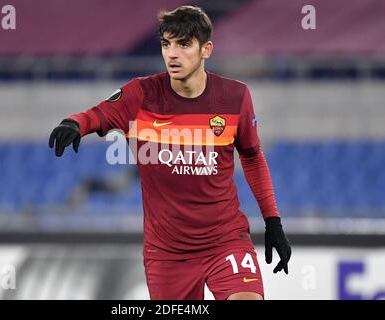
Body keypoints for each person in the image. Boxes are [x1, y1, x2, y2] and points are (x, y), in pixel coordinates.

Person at [49, 5, 291, 300]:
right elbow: (97, 114)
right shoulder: (141, 94)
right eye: (166, 44)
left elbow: (252, 157)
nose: (172, 54)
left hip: (225, 241)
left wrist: (273, 222)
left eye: (184, 44)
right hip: (168, 255)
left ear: (206, 49)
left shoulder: (235, 97)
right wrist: (73, 123)